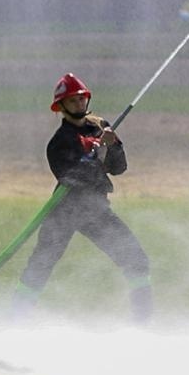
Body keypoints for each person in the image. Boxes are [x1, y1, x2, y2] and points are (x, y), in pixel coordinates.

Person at [12, 72, 152, 322]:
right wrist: (94, 156)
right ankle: (17, 315)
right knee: (41, 264)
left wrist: (114, 147)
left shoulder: (100, 127)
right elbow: (72, 177)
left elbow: (118, 168)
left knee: (136, 259)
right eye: (73, 101)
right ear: (61, 106)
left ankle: (143, 321)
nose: (79, 104)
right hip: (65, 210)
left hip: (95, 210)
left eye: (82, 99)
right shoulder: (58, 142)